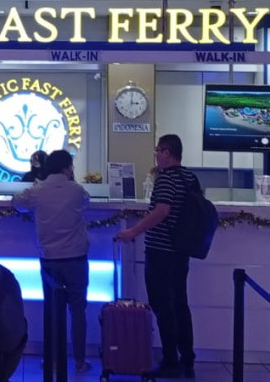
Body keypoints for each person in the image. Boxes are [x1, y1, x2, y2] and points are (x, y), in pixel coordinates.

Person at [115, 134, 199, 379]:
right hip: (182, 250)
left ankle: (170, 360)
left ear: (167, 152)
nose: (156, 154)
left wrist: (133, 231)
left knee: (163, 307)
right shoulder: (190, 177)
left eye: (158, 150)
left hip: (161, 251)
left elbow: (162, 210)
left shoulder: (166, 179)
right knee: (180, 305)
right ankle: (187, 357)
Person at [13, 150, 91, 373]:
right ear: (67, 167)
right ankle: (79, 361)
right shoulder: (76, 190)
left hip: (49, 259)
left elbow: (17, 202)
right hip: (76, 257)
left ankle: (51, 359)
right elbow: (86, 202)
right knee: (78, 310)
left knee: (52, 311)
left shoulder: (38, 191)